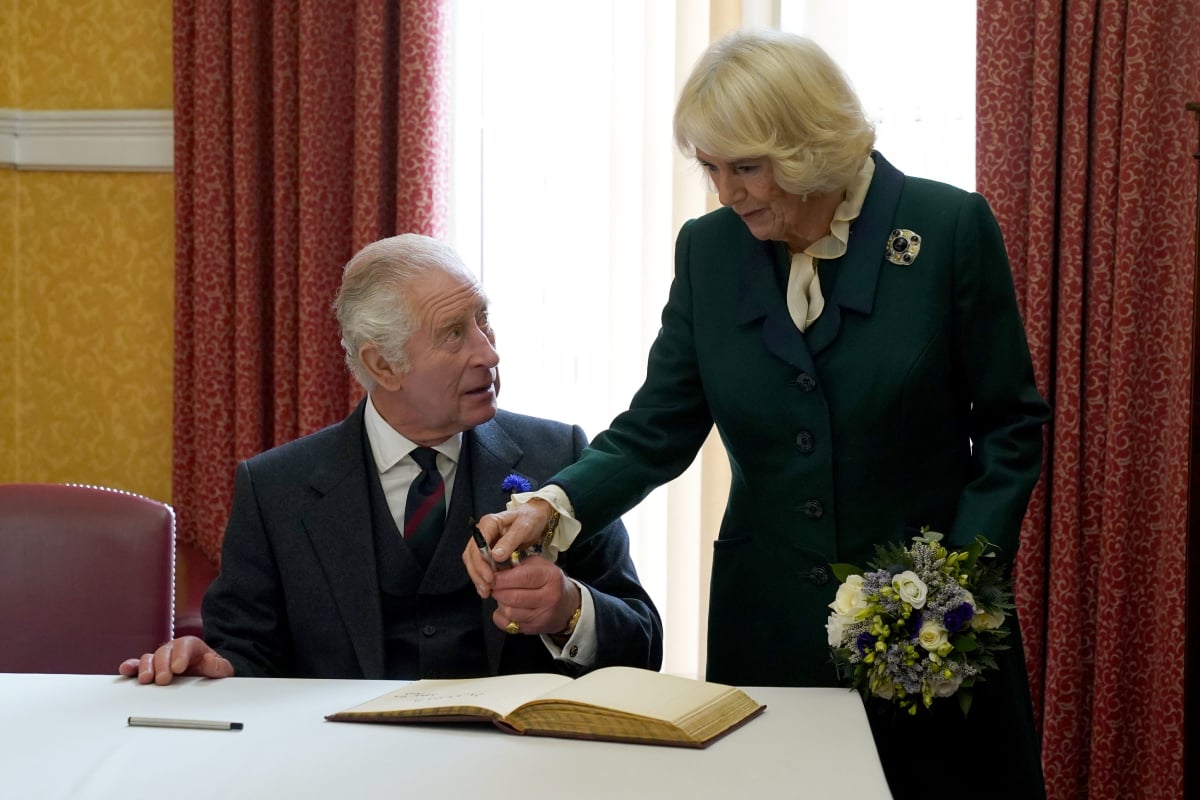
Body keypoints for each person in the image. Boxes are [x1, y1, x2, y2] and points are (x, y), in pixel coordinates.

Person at [465, 29, 1050, 799]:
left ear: (811, 146)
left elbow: (1011, 425)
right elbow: (657, 427)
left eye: (747, 168)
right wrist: (550, 505)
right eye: (711, 168)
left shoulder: (948, 230)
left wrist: (959, 587)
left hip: (929, 632)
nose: (726, 192)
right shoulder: (710, 251)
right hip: (768, 625)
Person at [120, 233, 662, 685]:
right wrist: (212, 670)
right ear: (384, 365)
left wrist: (569, 610)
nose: (489, 353)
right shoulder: (275, 489)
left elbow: (645, 647)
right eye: (454, 334)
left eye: (483, 321)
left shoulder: (561, 458)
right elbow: (247, 657)